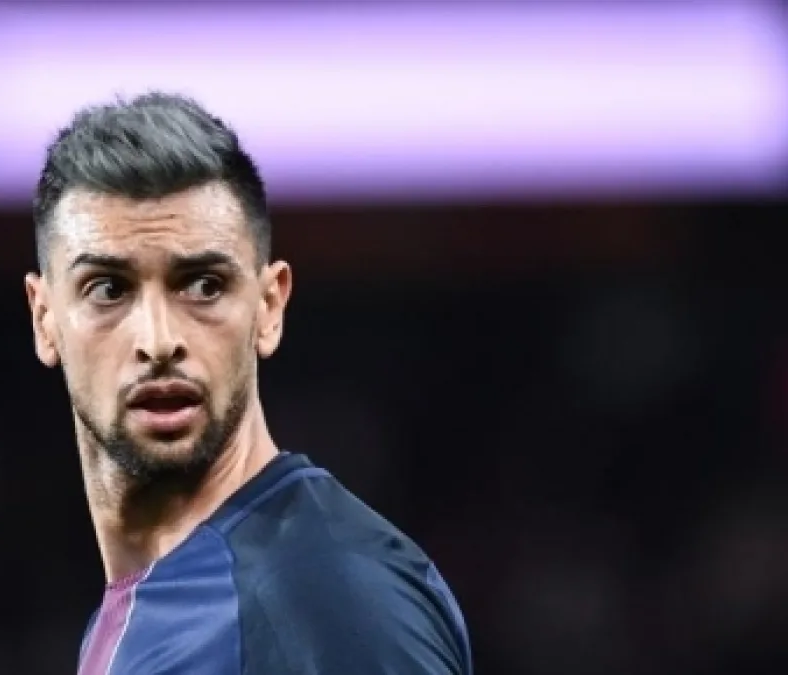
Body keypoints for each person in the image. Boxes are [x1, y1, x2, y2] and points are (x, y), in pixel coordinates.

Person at [24, 92, 472, 674]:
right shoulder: (161, 601)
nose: (158, 340)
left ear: (269, 307)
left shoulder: (331, 604)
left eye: (203, 285)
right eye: (108, 289)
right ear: (45, 319)